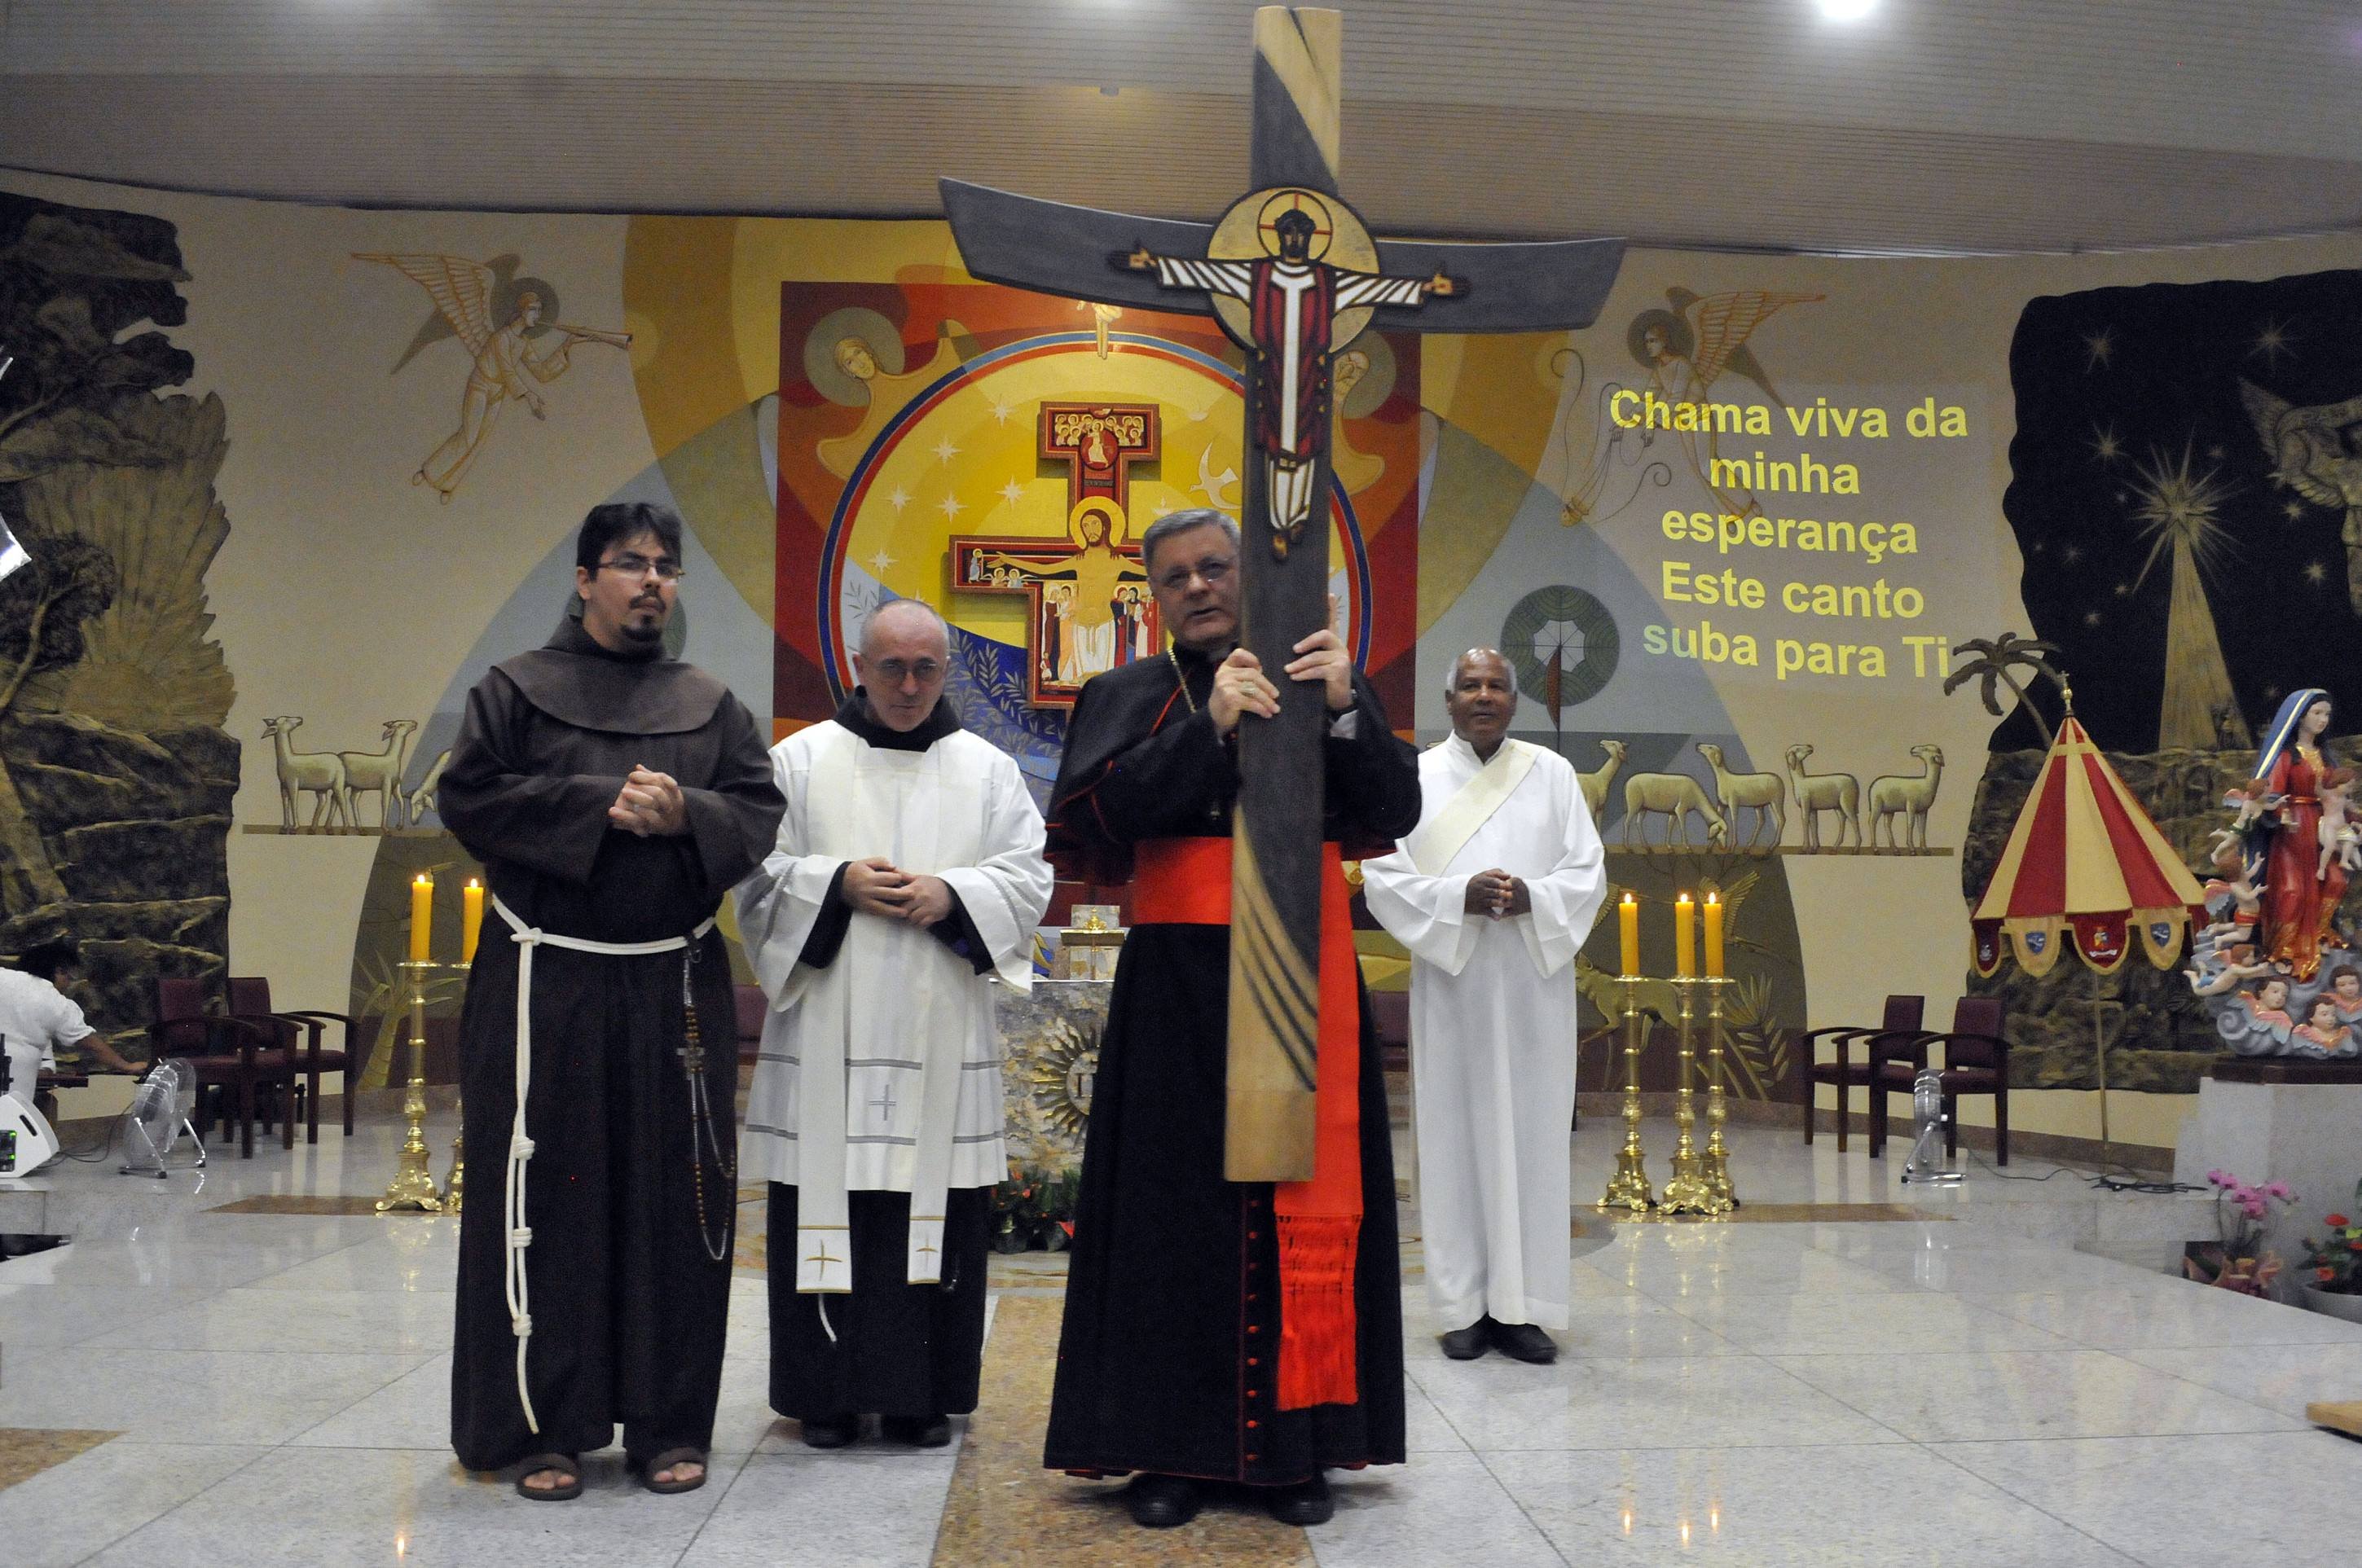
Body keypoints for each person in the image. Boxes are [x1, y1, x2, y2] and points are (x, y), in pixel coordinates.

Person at [1040, 507, 1422, 1529]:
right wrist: (1206, 727)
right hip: (1176, 980)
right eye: (1175, 577)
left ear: (1246, 576)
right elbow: (1090, 817)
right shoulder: (1127, 694)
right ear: (1153, 596)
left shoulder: (1319, 677)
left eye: (1215, 567)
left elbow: (1396, 807)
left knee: (1290, 1195)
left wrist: (1345, 708)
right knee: (1175, 1217)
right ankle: (1171, 1450)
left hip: (1304, 964)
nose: (1198, 586)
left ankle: (1294, 1451)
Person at [441, 501, 785, 1501]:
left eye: (666, 565)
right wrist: (598, 803)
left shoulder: (710, 703)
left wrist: (689, 811)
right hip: (547, 981)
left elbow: (759, 812)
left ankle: (668, 1424)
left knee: (679, 1198)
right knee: (545, 1198)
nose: (651, 581)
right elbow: (468, 797)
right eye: (630, 563)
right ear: (586, 578)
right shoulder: (515, 690)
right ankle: (542, 1425)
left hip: (673, 983)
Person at [734, 598, 1051, 1451]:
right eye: (891, 668)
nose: (908, 686)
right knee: (822, 1204)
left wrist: (956, 894)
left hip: (937, 1028)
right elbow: (754, 874)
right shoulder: (797, 762)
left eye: (926, 668)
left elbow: (1027, 876)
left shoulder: (987, 769)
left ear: (946, 670)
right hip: (827, 1033)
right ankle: (823, 1395)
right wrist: (833, 882)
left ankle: (921, 1396)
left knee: (936, 1208)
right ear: (857, 666)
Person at [1361, 648, 1607, 1363]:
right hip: (1454, 981)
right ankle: (1461, 1305)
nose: (1483, 695)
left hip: (1532, 983)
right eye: (1469, 683)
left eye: (1496, 684)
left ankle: (1522, 1307)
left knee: (1529, 1138)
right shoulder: (1415, 775)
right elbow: (1384, 873)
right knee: (1452, 1139)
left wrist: (1532, 896)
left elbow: (1586, 871)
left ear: (1513, 700)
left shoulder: (1552, 774)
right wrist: (1454, 898)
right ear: (1448, 700)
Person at [2245, 688, 2347, 981]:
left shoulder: (2326, 758)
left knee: (2336, 880)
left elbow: (2337, 795)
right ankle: (2284, 949)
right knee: (2293, 891)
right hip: (2293, 830)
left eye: (2327, 714)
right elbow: (2272, 794)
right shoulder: (2287, 757)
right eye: (2317, 713)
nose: (2323, 719)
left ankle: (2320, 933)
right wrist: (2281, 814)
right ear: (2299, 716)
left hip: (2321, 826)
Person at [0, 939, 141, 1125]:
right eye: (70, 976)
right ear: (59, 971)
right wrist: (126, 1066)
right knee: (12, 1136)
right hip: (17, 1084)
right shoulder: (54, 1000)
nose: (68, 984)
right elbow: (89, 1042)